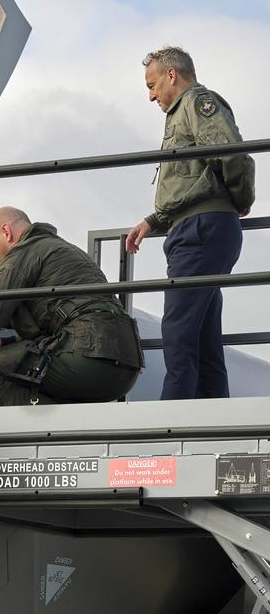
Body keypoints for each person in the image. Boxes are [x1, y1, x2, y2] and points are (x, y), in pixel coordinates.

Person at [125, 46, 256, 400]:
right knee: (202, 334)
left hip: (202, 228)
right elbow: (189, 181)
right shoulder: (180, 114)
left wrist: (239, 199)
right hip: (194, 227)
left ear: (171, 75)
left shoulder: (198, 103)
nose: (151, 95)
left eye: (152, 85)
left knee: (179, 329)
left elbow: (230, 154)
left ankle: (172, 419)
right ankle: (212, 417)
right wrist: (153, 221)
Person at [0, 207, 143, 406]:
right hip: (127, 366)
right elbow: (71, 314)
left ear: (6, 232)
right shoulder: (64, 249)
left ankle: (52, 428)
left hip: (88, 359)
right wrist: (6, 341)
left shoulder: (25, 251)